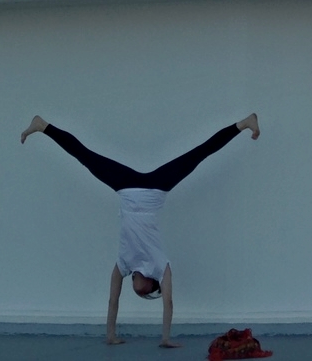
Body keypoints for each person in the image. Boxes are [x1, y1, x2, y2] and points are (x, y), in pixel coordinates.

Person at [22, 112, 260, 348]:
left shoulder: (124, 264)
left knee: (85, 156)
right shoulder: (160, 266)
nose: (137, 291)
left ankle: (43, 126)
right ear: (151, 285)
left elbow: (113, 301)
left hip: (125, 189)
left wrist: (111, 335)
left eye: (135, 292)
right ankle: (244, 123)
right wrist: (165, 338)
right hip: (156, 189)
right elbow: (168, 302)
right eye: (144, 293)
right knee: (200, 153)